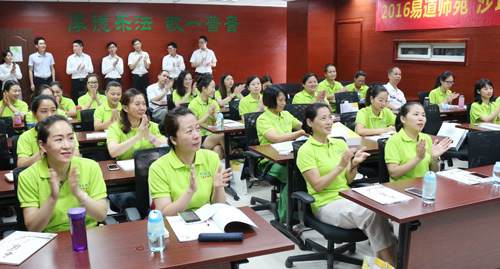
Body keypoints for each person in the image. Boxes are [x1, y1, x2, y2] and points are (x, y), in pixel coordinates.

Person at [297, 103, 397, 266]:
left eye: (330, 117)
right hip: (325, 204)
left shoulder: (339, 143)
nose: (329, 122)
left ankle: (385, 263)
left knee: (381, 210)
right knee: (372, 215)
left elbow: (348, 181)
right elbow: (318, 186)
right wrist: (341, 165)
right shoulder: (306, 150)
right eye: (323, 118)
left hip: (346, 195)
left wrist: (353, 165)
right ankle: (392, 264)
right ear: (309, 122)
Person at [18, 115, 107, 232]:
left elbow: (101, 216)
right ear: (42, 146)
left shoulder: (91, 167)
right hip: (50, 240)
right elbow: (33, 228)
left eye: (70, 138)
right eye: (59, 139)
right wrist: (52, 198)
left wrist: (79, 194)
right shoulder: (27, 176)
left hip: (88, 234)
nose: (67, 146)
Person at [148, 106, 231, 216]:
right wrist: (190, 191)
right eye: (189, 131)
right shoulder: (158, 168)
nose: (197, 135)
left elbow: (219, 205)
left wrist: (218, 188)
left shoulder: (211, 157)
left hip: (206, 220)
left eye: (197, 128)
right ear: (173, 140)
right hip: (176, 223)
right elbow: (165, 213)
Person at [107, 88, 167, 212]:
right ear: (125, 108)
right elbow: (113, 151)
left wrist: (149, 136)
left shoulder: (152, 126)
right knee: (131, 200)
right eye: (137, 104)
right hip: (125, 183)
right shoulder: (115, 128)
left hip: (151, 178)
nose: (142, 107)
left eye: (144, 104)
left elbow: (167, 146)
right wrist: (138, 136)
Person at [257, 84, 306, 221]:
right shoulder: (263, 119)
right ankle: (286, 218)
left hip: (288, 156)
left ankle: (301, 212)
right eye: (280, 100)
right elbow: (275, 138)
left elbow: (303, 126)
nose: (284, 103)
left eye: (285, 100)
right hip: (270, 161)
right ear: (271, 100)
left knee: (305, 170)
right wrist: (301, 132)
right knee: (294, 176)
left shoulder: (286, 114)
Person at [385, 102, 452, 182]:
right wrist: (418, 158)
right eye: (416, 114)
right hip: (402, 188)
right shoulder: (394, 141)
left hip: (424, 185)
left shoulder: (426, 138)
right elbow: (394, 174)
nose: (421, 118)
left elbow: (434, 172)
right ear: (403, 119)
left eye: (423, 115)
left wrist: (434, 158)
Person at [18, 95, 80, 167]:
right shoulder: (26, 136)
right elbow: (21, 165)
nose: (49, 115)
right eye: (44, 111)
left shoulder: (66, 132)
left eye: (53, 110)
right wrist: (45, 149)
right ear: (34, 114)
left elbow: (76, 155)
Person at [188, 75, 225, 160]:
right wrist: (208, 114)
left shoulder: (213, 102)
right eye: (212, 87)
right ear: (204, 89)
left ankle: (217, 172)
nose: (214, 90)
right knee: (222, 137)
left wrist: (214, 115)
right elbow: (193, 125)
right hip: (200, 137)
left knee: (218, 149)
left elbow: (218, 123)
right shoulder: (193, 104)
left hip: (213, 134)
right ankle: (232, 156)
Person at [66, 40, 93, 104]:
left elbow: (91, 70)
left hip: (85, 81)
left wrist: (84, 68)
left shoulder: (87, 57)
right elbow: (68, 71)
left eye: (76, 46)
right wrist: (76, 69)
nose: (74, 48)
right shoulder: (70, 58)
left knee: (86, 98)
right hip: (75, 81)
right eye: (73, 46)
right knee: (75, 99)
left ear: (81, 47)